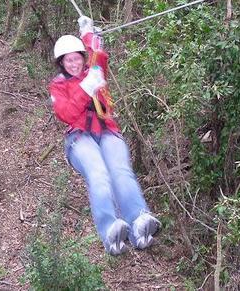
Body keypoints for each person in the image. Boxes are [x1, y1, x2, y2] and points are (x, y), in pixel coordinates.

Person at [49, 16, 160, 255]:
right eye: (68, 60)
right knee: (99, 175)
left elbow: (99, 53)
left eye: (77, 58)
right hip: (79, 138)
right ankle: (110, 230)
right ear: (62, 63)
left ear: (82, 58)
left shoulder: (95, 71)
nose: (73, 64)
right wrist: (85, 88)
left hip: (107, 131)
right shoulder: (58, 86)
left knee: (120, 172)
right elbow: (66, 113)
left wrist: (88, 33)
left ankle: (139, 222)